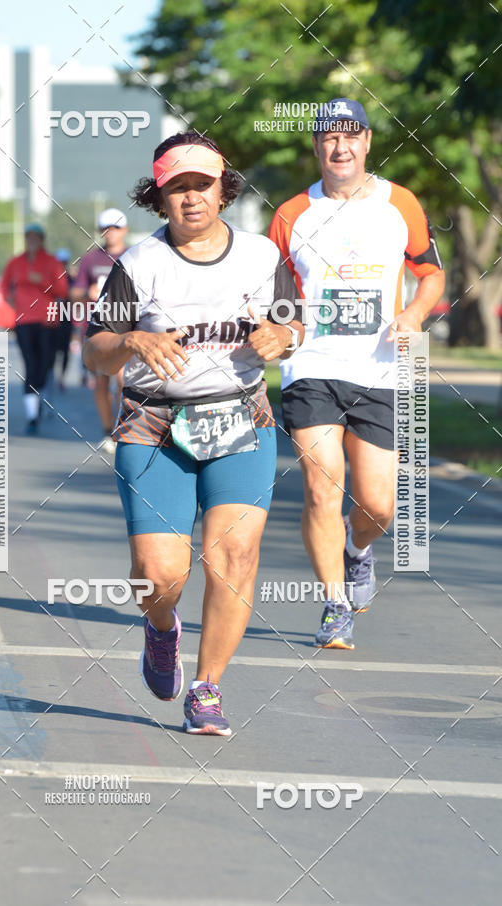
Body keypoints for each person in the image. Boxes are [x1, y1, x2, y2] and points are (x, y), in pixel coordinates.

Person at [83, 131, 303, 735]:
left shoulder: (262, 257)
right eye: (176, 187)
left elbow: (294, 325)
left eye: (201, 185)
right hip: (154, 424)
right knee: (161, 575)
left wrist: (283, 339)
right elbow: (95, 352)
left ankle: (207, 688)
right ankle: (160, 627)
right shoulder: (137, 265)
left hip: (241, 418)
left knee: (233, 554)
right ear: (159, 196)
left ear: (223, 189)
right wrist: (131, 340)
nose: (191, 198)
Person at [268, 98, 445, 649]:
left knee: (378, 506)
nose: (339, 147)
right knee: (323, 490)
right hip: (312, 368)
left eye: (350, 136)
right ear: (317, 146)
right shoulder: (291, 214)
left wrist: (414, 315)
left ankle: (358, 550)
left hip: (380, 372)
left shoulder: (401, 204)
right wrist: (275, 332)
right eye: (329, 137)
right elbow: (273, 296)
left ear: (367, 142)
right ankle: (334, 604)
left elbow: (431, 275)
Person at [0, 224, 68, 433]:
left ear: (42, 240)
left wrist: (44, 282)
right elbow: (4, 285)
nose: (32, 241)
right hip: (24, 320)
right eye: (29, 238)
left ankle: (41, 394)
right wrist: (10, 300)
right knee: (30, 363)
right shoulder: (16, 262)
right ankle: (32, 415)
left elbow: (63, 291)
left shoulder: (52, 262)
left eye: (36, 238)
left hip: (47, 320)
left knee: (45, 363)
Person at [73, 208, 129, 453]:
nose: (111, 233)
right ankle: (108, 431)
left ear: (124, 230)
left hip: (127, 328)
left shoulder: (134, 256)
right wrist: (87, 294)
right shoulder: (90, 259)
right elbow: (74, 292)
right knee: (102, 381)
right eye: (106, 228)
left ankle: (124, 429)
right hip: (97, 328)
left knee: (124, 380)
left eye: (115, 227)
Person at [53, 247, 75, 391]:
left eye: (64, 262)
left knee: (65, 351)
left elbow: (75, 297)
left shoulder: (71, 280)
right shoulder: (51, 279)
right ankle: (51, 377)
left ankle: (61, 378)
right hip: (52, 319)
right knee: (52, 351)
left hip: (66, 319)